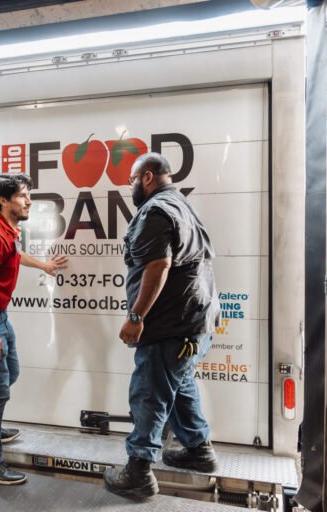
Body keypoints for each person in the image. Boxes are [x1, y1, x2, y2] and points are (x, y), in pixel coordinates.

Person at [104, 152, 219, 500]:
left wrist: (136, 317)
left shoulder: (155, 210)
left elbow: (158, 266)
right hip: (194, 321)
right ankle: (199, 450)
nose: (131, 187)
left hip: (169, 323)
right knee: (180, 383)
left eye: (132, 180)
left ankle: (138, 471)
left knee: (149, 393)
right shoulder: (181, 204)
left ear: (148, 177)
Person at [0, 173, 67, 485]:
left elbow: (14, 256)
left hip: (0, 317)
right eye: (22, 195)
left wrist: (44, 266)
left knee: (12, 374)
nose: (29, 201)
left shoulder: (8, 232)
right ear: (3, 201)